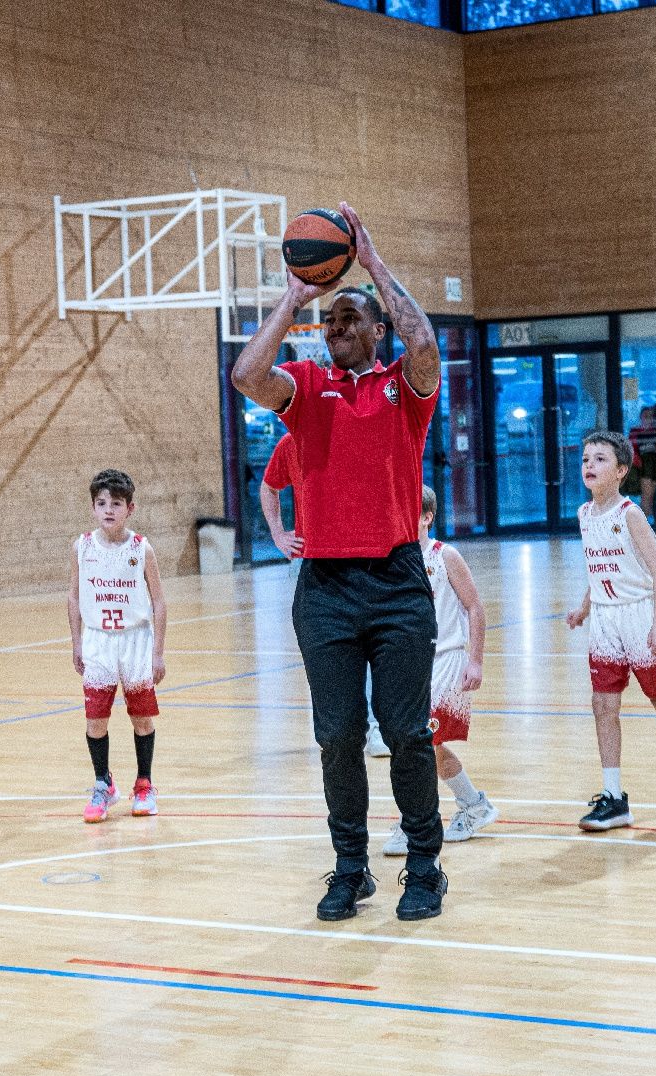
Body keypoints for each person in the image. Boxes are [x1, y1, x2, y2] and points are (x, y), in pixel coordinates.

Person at [229, 200, 449, 923]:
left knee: (407, 733)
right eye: (330, 322)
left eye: (350, 319)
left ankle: (425, 864)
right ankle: (350, 867)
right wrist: (295, 295)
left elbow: (425, 348)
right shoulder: (307, 388)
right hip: (323, 587)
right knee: (337, 735)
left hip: (395, 582)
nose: (336, 329)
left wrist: (373, 263)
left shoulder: (402, 391)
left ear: (377, 330)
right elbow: (245, 374)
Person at [565, 431, 656, 831]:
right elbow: (599, 571)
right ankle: (614, 796)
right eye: (586, 459)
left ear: (621, 471)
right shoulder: (583, 514)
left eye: (600, 460)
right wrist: (584, 607)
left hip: (643, 616)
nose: (589, 465)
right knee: (603, 705)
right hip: (606, 620)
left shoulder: (630, 514)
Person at [258, 435, 389, 758]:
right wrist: (277, 533)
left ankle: (375, 728)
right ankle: (340, 729)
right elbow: (269, 486)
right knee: (329, 654)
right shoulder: (292, 443)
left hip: (364, 558)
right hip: (315, 561)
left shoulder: (357, 436)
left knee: (370, 646)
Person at [384, 488, 496, 856]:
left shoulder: (444, 555)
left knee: (424, 741)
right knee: (417, 743)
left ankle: (413, 820)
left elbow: (475, 607)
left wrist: (475, 660)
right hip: (410, 664)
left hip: (447, 660)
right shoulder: (395, 560)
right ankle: (473, 803)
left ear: (427, 516)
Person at [68, 469, 166, 823]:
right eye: (101, 503)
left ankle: (144, 783)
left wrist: (158, 652)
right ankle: (103, 784)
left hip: (135, 640)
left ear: (130, 508)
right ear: (94, 507)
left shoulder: (141, 548)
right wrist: (77, 642)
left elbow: (159, 603)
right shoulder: (82, 546)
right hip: (98, 641)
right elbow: (74, 596)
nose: (108, 509)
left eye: (116, 503)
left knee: (141, 717)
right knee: (96, 719)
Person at [629, 405, 656, 518]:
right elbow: (632, 448)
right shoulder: (635, 431)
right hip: (643, 464)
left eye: (650, 416)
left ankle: (644, 522)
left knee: (650, 496)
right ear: (641, 417)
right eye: (645, 415)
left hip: (654, 465)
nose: (647, 417)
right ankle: (642, 524)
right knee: (646, 496)